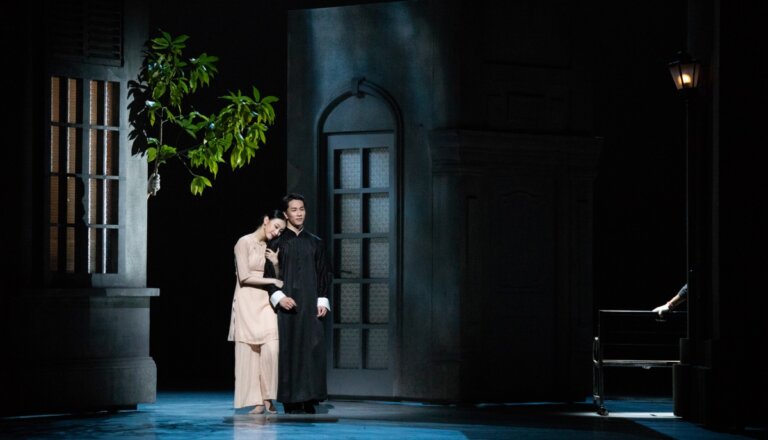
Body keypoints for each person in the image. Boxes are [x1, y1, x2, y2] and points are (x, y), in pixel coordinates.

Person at [264, 193, 332, 414]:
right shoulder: (277, 242)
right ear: (286, 214)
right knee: (290, 349)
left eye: (301, 209)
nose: (299, 213)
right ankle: (291, 399)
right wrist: (279, 297)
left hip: (311, 304)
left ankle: (310, 397)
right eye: (294, 210)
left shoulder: (316, 242)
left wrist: (322, 300)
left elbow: (323, 273)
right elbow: (268, 275)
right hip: (289, 305)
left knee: (313, 348)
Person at [227, 210, 286, 414]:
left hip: (266, 302)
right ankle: (258, 401)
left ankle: (269, 396)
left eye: (281, 230)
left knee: (271, 348)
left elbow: (279, 277)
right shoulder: (243, 242)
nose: (277, 232)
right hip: (246, 300)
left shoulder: (271, 247)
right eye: (276, 227)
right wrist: (273, 279)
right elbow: (244, 277)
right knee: (250, 352)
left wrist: (276, 265)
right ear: (266, 220)